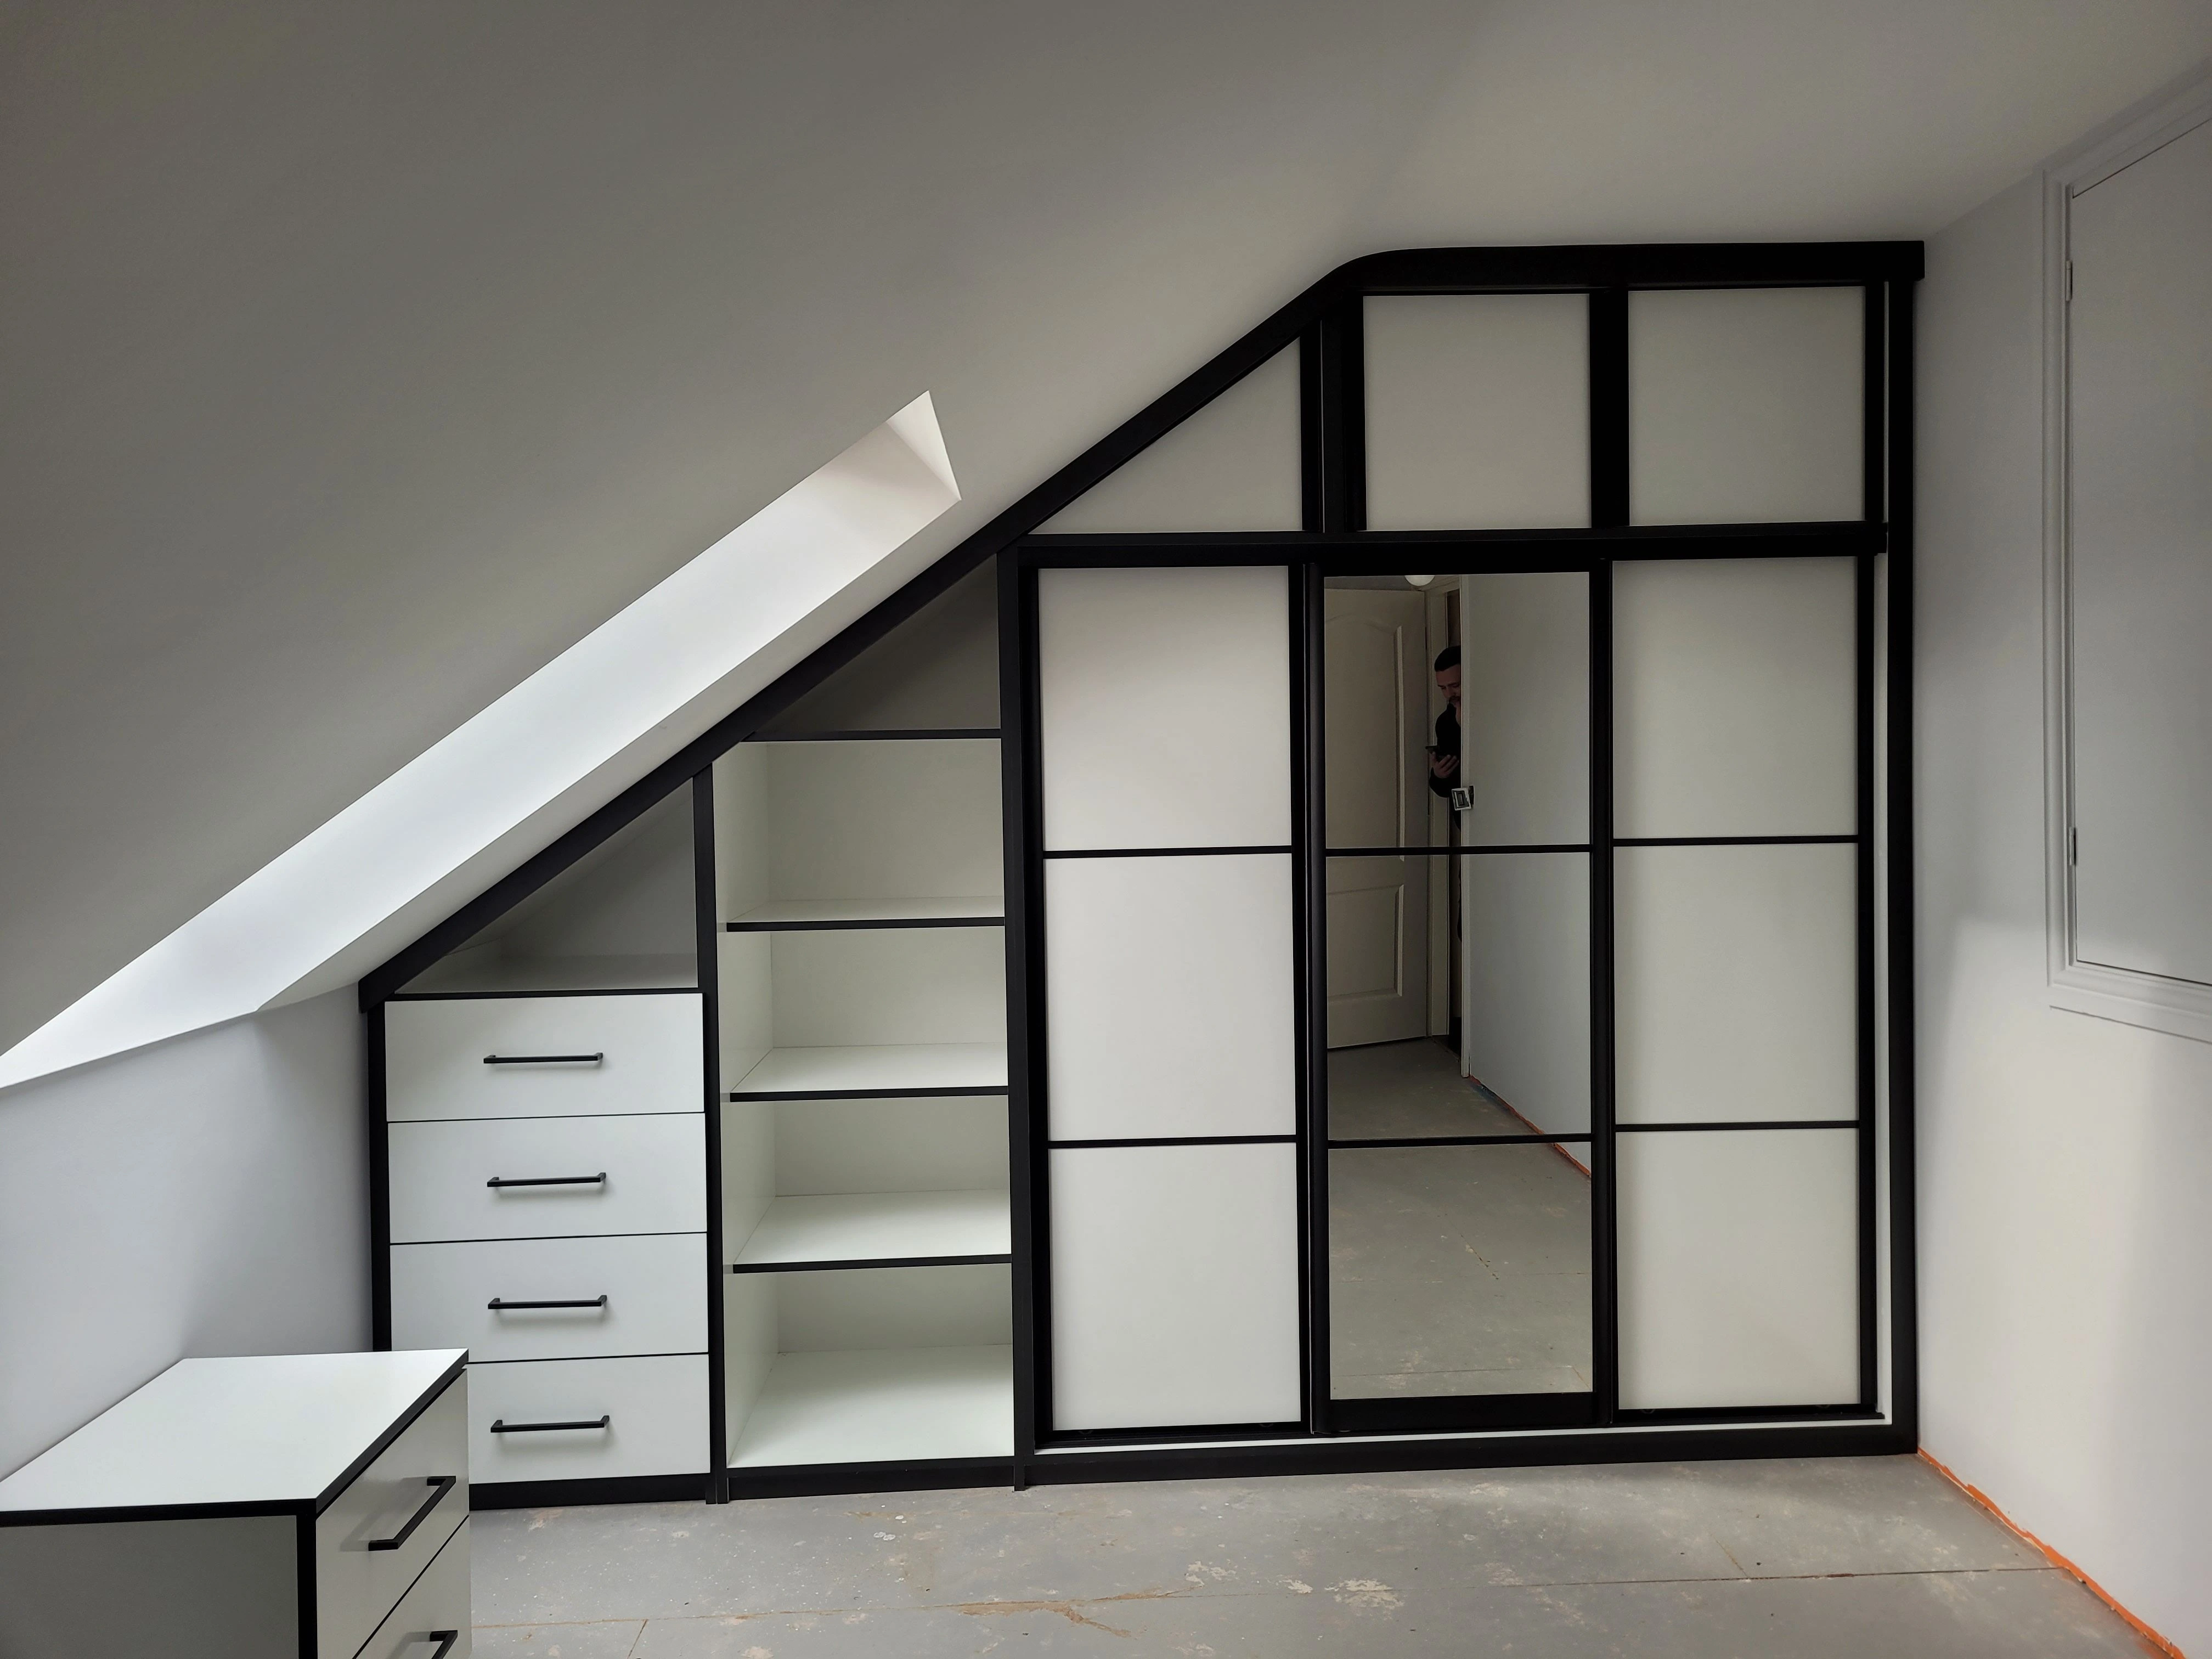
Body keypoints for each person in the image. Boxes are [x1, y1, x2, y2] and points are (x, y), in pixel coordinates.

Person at [1426, 645, 1462, 799]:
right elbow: (1447, 790)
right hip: (1471, 817)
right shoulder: (1444, 723)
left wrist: (1466, 727)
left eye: (1455, 686)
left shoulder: (1497, 711)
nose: (1449, 694)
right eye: (1442, 688)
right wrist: (1439, 775)